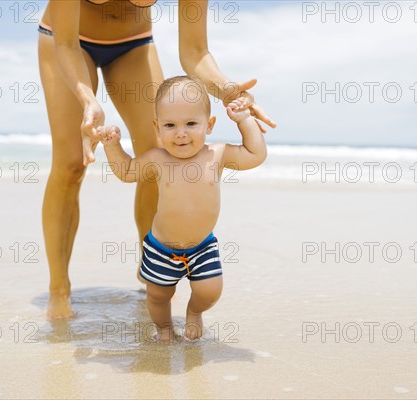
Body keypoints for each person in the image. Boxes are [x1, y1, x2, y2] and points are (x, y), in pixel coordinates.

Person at [38, 0, 276, 319]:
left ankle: (151, 272)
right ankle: (59, 289)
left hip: (133, 44)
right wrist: (88, 100)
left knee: (159, 155)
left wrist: (228, 90)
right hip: (65, 41)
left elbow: (195, 52)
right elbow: (66, 45)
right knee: (71, 164)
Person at [97, 76, 267, 341]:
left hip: (202, 246)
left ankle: (194, 312)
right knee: (157, 295)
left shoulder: (217, 155)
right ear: (158, 128)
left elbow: (256, 155)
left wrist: (244, 119)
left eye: (191, 123)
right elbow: (126, 171)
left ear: (209, 125)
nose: (180, 133)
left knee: (210, 291)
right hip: (161, 247)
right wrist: (112, 146)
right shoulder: (158, 159)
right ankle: (165, 329)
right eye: (170, 125)